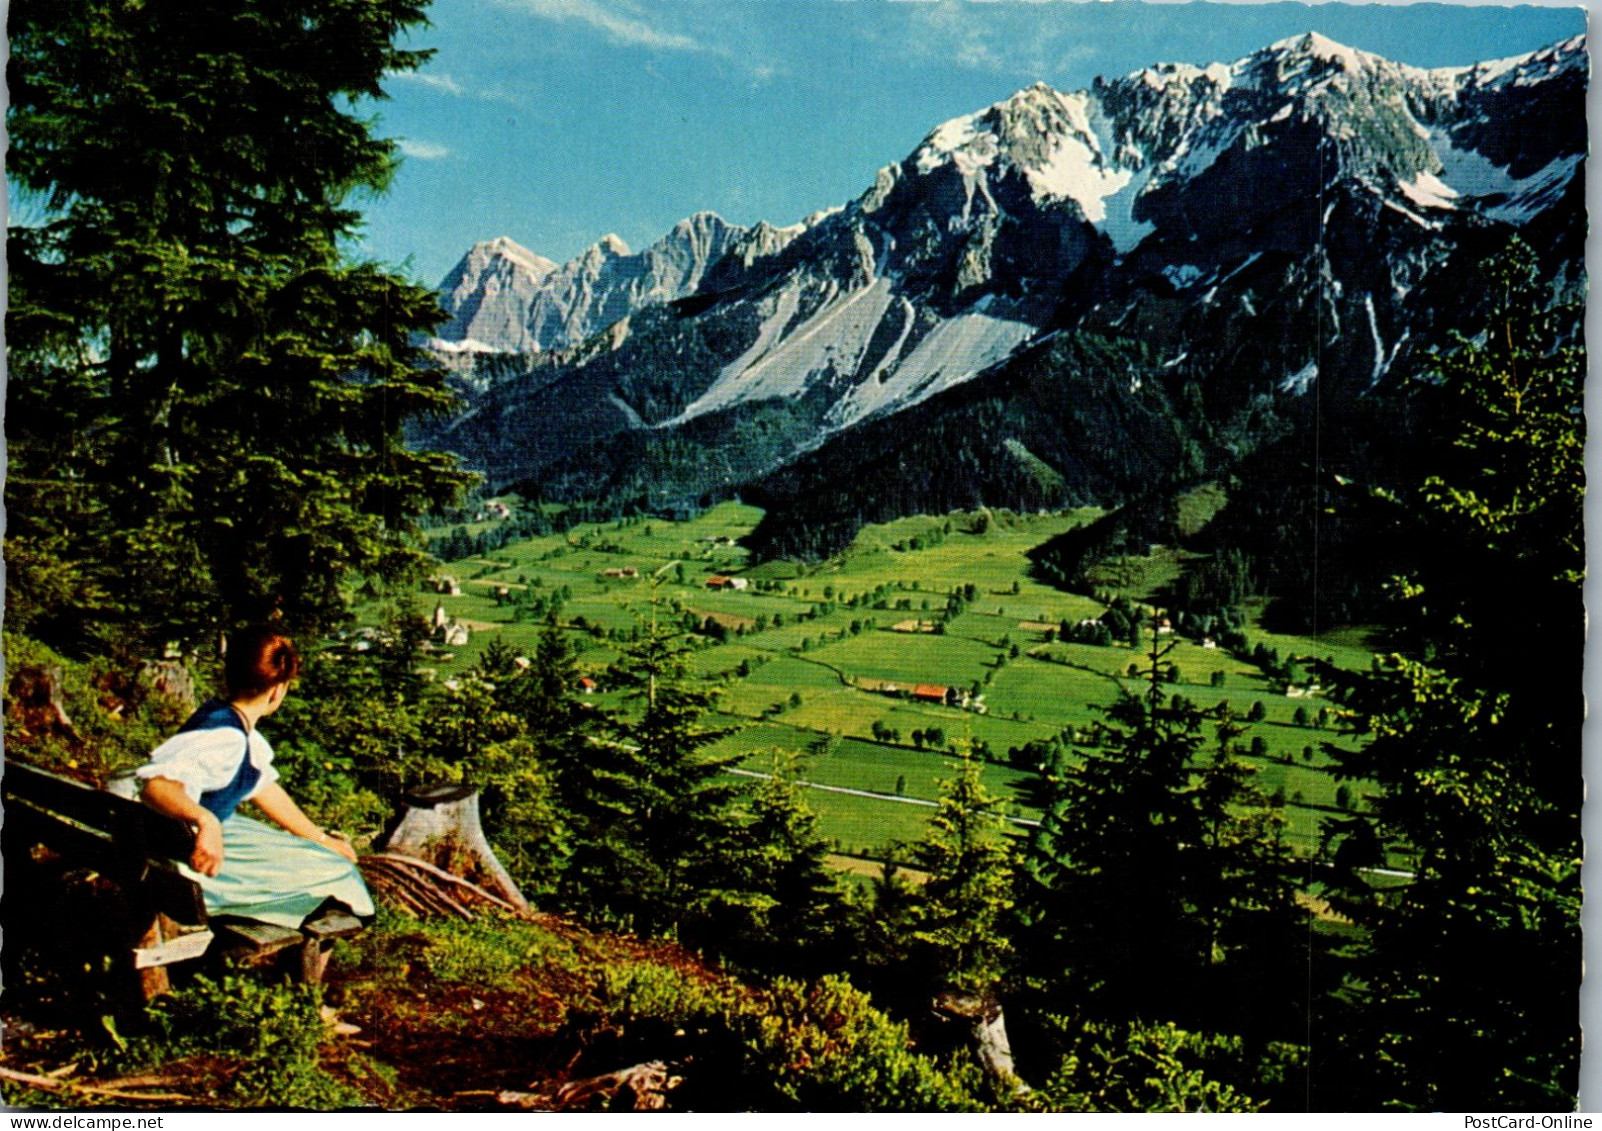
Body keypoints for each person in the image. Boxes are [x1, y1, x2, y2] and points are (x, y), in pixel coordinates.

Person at [137, 626, 374, 929]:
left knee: (316, 855)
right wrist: (206, 822)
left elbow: (263, 786)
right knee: (341, 873)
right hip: (190, 867)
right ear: (277, 691)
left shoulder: (226, 722)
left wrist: (320, 838)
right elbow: (156, 786)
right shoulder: (227, 738)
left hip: (169, 848)